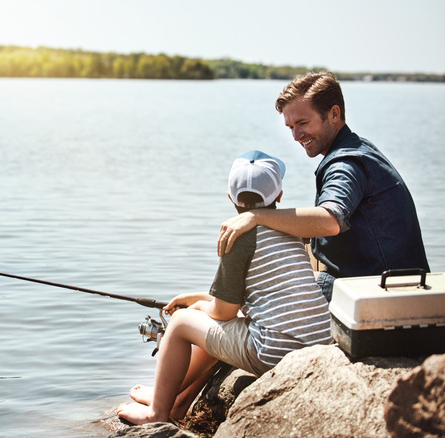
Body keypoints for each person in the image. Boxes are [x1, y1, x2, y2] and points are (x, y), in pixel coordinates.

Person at [118, 151, 332, 425]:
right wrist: (199, 298)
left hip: (275, 351)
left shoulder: (238, 235)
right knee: (212, 327)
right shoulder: (292, 230)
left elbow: (223, 314)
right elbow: (253, 299)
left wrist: (197, 307)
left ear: (230, 198)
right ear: (279, 195)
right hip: (316, 341)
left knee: (183, 323)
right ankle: (174, 399)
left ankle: (157, 413)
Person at [217, 72, 429, 300]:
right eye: (290, 127)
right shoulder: (358, 148)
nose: (297, 135)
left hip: (375, 290)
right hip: (385, 282)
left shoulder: (345, 163)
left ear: (334, 114)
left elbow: (330, 220)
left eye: (303, 123)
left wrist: (256, 216)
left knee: (265, 293)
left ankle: (213, 303)